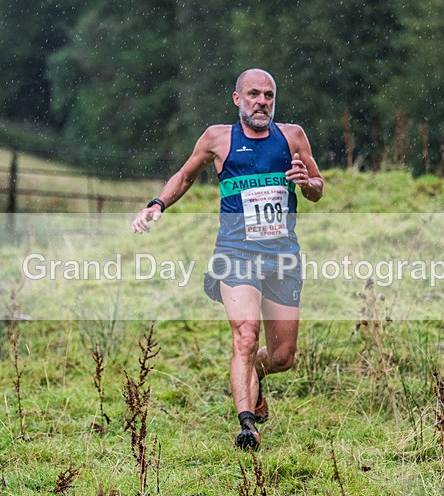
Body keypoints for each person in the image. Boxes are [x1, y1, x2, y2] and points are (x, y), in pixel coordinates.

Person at [132, 68, 324, 450]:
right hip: (235, 255)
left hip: (282, 256)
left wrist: (307, 183)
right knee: (245, 337)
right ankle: (247, 424)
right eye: (253, 94)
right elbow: (185, 176)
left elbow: (317, 188)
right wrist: (158, 204)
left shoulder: (293, 136)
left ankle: (253, 374)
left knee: (283, 356)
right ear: (237, 99)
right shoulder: (217, 138)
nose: (261, 102)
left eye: (268, 95)